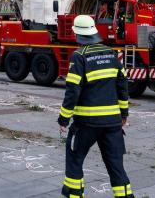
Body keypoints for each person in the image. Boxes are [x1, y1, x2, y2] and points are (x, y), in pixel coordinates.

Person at [57, 15, 132, 198]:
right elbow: (122, 87)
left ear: (77, 35)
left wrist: (63, 119)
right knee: (116, 166)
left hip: (86, 123)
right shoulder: (112, 54)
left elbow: (72, 91)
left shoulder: (79, 56)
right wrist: (124, 114)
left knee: (75, 159)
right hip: (113, 123)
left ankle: (74, 195)